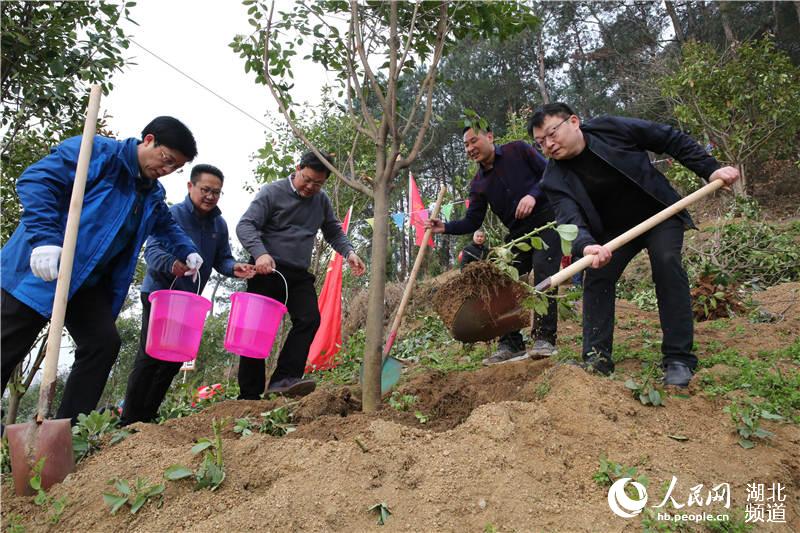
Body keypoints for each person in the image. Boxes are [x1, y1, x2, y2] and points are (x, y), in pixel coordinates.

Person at [1, 116, 203, 423]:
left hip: (86, 284)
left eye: (175, 167)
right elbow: (36, 181)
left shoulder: (151, 192)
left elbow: (164, 224)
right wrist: (44, 239)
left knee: (102, 343)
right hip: (39, 272)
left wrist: (186, 248)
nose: (167, 170)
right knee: (6, 349)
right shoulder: (96, 153)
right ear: (148, 140)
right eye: (166, 160)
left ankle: (67, 430)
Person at [528, 102, 739, 387]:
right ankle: (596, 358)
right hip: (613, 233)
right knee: (597, 276)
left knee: (666, 262)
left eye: (552, 134)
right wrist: (587, 246)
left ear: (574, 122)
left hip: (659, 212)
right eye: (541, 142)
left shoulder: (610, 129)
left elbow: (668, 138)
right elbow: (569, 219)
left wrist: (710, 169)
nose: (549, 145)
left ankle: (678, 358)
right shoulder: (553, 177)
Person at [119, 164, 256, 426]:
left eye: (216, 192)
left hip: (189, 303)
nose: (210, 196)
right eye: (205, 189)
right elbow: (152, 252)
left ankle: (148, 415)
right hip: (160, 295)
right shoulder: (173, 216)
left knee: (175, 358)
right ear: (190, 186)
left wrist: (234, 268)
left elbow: (221, 259)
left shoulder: (219, 224)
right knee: (149, 356)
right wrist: (172, 265)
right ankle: (129, 420)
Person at [427, 124, 562, 365]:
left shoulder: (518, 150)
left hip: (547, 222)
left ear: (490, 136)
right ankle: (511, 343)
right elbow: (472, 221)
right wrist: (445, 227)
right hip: (518, 235)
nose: (469, 148)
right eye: (466, 145)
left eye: (473, 141)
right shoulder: (478, 183)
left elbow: (549, 172)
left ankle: (544, 338)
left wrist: (533, 195)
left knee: (544, 275)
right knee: (501, 279)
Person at [236, 151, 366, 398]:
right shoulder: (272, 192)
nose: (310, 187)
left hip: (297, 273)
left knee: (309, 319)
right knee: (256, 331)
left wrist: (348, 252)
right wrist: (260, 253)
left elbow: (333, 231)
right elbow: (245, 225)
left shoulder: (321, 200)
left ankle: (284, 379)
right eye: (307, 179)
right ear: (298, 168)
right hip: (267, 270)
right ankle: (249, 395)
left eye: (318, 183)